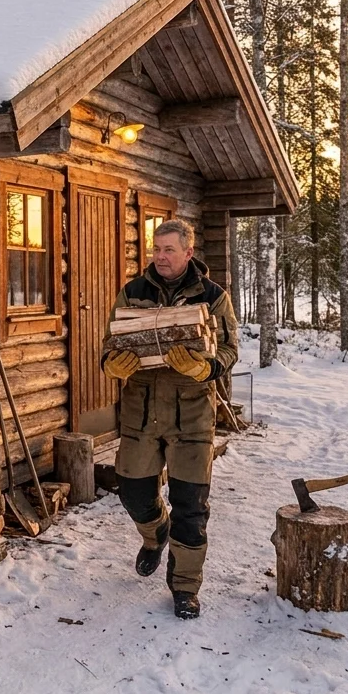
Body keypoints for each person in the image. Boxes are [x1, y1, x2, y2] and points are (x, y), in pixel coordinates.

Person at [101, 219, 238, 620]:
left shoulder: (213, 297)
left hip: (192, 415)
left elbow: (230, 348)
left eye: (168, 250)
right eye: (156, 249)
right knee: (133, 493)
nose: (159, 257)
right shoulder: (133, 292)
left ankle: (184, 587)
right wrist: (112, 363)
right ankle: (154, 531)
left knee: (191, 507)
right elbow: (111, 340)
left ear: (188, 253)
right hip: (141, 413)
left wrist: (205, 369)